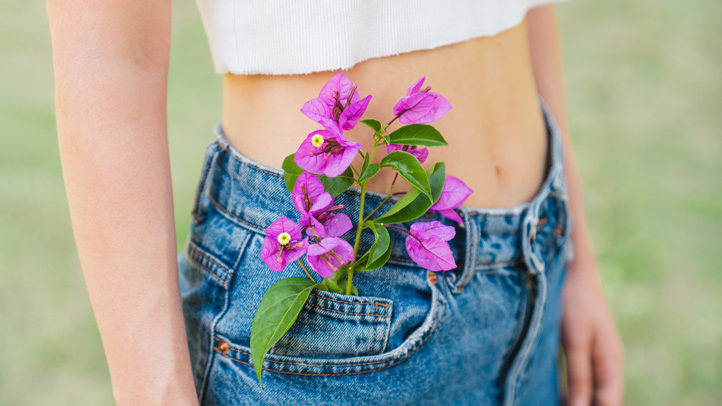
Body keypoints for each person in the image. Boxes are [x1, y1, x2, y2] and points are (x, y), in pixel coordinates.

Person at [46, 0, 624, 405]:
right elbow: (107, 59)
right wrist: (153, 392)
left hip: (530, 265)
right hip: (338, 307)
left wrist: (576, 256)